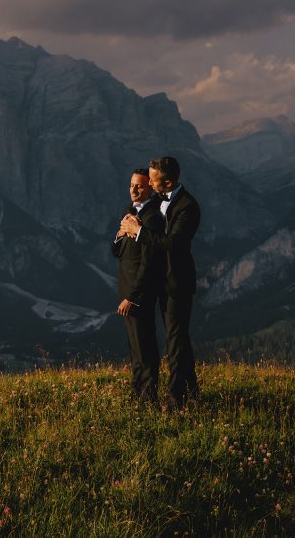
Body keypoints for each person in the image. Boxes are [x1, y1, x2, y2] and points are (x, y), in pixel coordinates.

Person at [120, 156, 201, 410]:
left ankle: (177, 400)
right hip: (156, 281)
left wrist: (140, 233)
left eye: (153, 180)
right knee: (175, 341)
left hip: (176, 283)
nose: (149, 184)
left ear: (167, 181)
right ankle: (190, 390)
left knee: (175, 342)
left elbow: (173, 244)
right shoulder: (156, 200)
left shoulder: (188, 206)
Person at [112, 168, 165, 405]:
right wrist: (120, 234)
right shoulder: (129, 212)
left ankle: (148, 397)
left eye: (140, 186)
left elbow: (149, 261)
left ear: (150, 188)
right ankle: (138, 394)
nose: (133, 189)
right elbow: (118, 252)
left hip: (138, 292)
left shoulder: (152, 217)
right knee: (134, 346)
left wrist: (133, 296)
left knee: (144, 346)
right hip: (126, 287)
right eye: (131, 184)